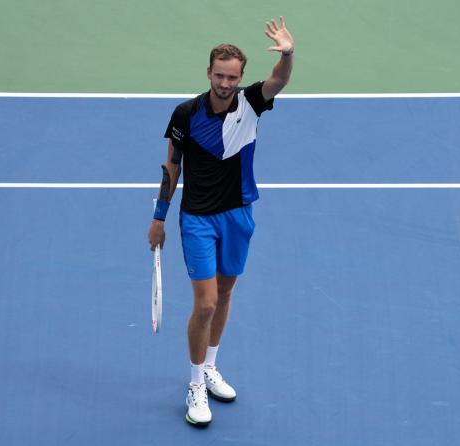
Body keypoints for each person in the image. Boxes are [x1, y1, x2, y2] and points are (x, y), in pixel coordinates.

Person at [148, 16, 294, 427]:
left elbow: (280, 81)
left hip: (238, 214)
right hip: (196, 218)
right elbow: (171, 168)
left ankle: (211, 366)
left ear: (241, 77)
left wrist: (288, 53)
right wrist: (159, 218)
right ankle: (195, 382)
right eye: (219, 75)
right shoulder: (185, 114)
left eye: (232, 77)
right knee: (206, 302)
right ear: (208, 73)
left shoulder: (251, 103)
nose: (225, 83)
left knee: (225, 296)